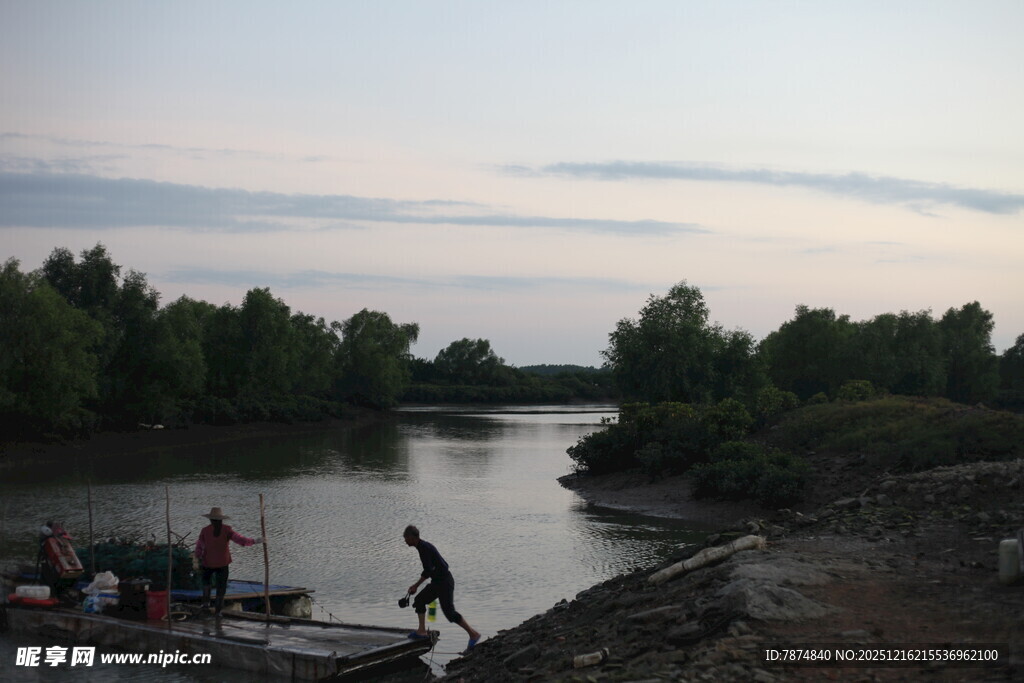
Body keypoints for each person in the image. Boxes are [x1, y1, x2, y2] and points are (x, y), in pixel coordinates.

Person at [403, 524, 480, 652]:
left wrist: (415, 586)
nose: (405, 540)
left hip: (445, 582)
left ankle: (473, 634)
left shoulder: (424, 548)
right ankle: (421, 631)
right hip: (437, 582)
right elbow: (430, 569)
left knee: (449, 613)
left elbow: (428, 571)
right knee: (419, 601)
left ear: (412, 537)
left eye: (406, 538)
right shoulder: (421, 547)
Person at [194, 507, 263, 615]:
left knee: (206, 584)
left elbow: (199, 547)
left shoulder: (205, 531)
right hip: (222, 563)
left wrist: (198, 557)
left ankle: (205, 604)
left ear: (210, 520)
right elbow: (241, 540)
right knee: (221, 587)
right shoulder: (227, 530)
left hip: (208, 562)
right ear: (221, 519)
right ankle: (218, 611)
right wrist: (255, 541)